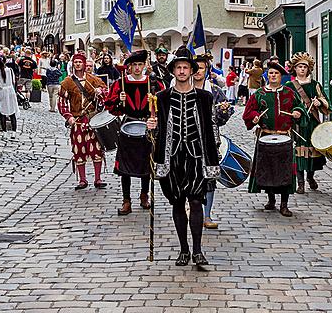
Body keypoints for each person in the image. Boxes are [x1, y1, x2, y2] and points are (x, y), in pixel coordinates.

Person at [147, 46, 219, 266]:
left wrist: (214, 154)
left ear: (191, 70)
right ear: (173, 71)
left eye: (185, 67)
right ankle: (184, 250)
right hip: (172, 157)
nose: (181, 71)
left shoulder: (205, 97)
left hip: (197, 157)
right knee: (177, 203)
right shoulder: (162, 98)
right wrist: (151, 126)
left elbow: (211, 126)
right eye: (178, 67)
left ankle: (198, 250)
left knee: (196, 202)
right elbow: (154, 132)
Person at [243, 60, 306, 217]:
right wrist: (254, 117)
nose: (273, 75)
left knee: (285, 171)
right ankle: (271, 199)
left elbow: (299, 107)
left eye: (276, 73)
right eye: (270, 73)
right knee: (268, 169)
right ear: (267, 75)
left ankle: (284, 204)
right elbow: (248, 112)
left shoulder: (289, 93)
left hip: (284, 136)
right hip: (265, 135)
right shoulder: (259, 94)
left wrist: (298, 112)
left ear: (280, 76)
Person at [105, 50, 164, 215]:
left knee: (146, 163)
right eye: (134, 65)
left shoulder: (154, 83)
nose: (137, 68)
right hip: (128, 124)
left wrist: (155, 106)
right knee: (126, 166)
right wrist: (119, 100)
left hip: (147, 125)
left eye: (140, 64)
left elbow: (163, 105)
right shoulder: (121, 83)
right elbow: (111, 107)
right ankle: (126, 201)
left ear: (145, 65)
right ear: (129, 67)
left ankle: (144, 195)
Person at [193, 54, 233, 229]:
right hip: (188, 140)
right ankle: (192, 209)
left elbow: (225, 115)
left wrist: (222, 111)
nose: (197, 71)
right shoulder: (183, 88)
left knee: (210, 178)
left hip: (210, 140)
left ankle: (207, 215)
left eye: (201, 68)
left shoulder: (215, 90)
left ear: (206, 70)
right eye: (195, 67)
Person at [58, 53, 108, 190]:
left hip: (92, 119)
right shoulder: (68, 82)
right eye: (76, 62)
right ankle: (82, 180)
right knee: (79, 150)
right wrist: (69, 117)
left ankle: (98, 179)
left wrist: (100, 92)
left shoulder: (94, 80)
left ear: (85, 64)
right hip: (78, 120)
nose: (78, 64)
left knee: (97, 149)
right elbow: (61, 101)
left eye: (80, 62)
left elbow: (106, 95)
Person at [285, 52, 331, 193]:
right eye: (299, 66)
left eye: (305, 66)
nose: (302, 69)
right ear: (295, 68)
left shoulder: (315, 85)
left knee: (312, 153)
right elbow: (285, 104)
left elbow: (327, 103)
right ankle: (300, 183)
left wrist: (318, 103)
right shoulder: (289, 85)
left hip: (312, 123)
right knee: (298, 151)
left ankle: (310, 177)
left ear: (308, 69)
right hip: (297, 124)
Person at [0, 56, 19, 139]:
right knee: (12, 112)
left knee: (2, 112)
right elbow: (13, 81)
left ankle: (4, 132)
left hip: (2, 92)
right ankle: (14, 132)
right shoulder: (10, 70)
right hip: (10, 91)